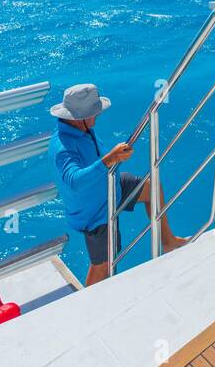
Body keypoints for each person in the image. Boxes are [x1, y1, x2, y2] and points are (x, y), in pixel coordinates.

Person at [48, 83, 186, 285]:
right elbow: (74, 181)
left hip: (110, 188)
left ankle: (168, 242)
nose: (97, 116)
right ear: (80, 119)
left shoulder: (81, 130)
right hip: (94, 212)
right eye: (94, 113)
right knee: (103, 264)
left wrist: (112, 159)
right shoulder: (64, 147)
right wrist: (109, 160)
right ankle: (88, 304)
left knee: (151, 187)